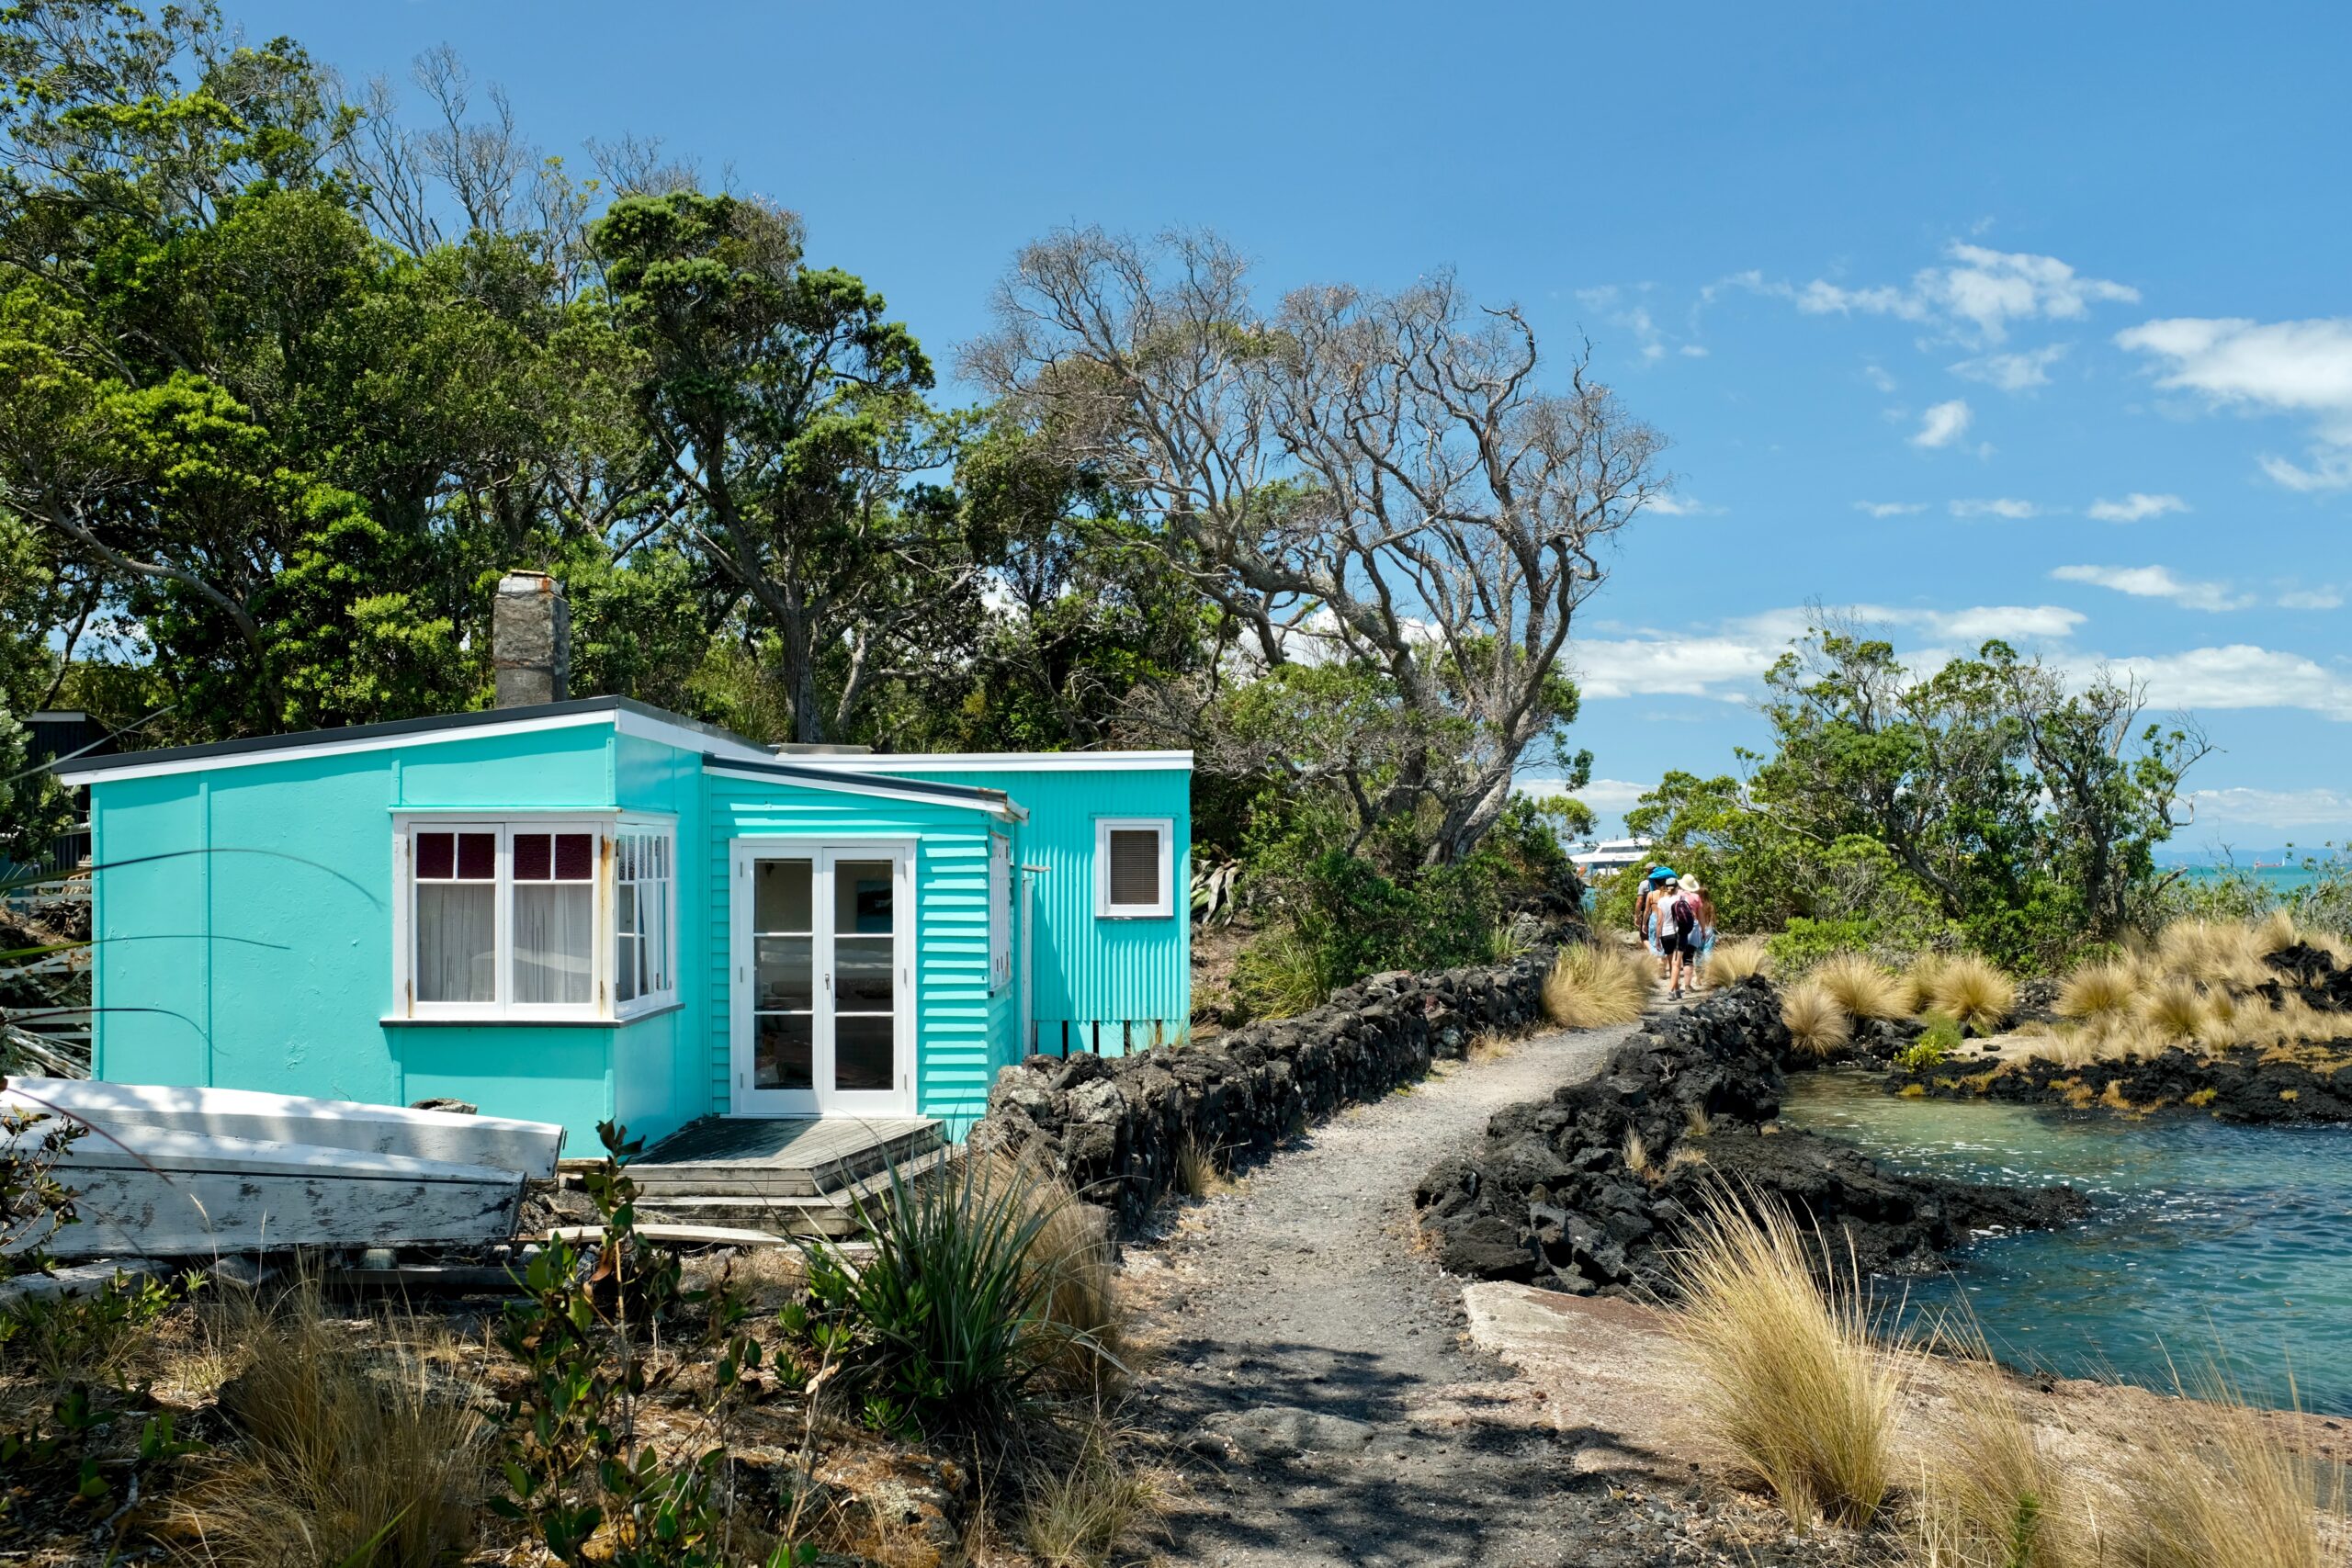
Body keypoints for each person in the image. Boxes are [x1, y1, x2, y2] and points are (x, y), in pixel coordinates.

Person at [1657, 874, 1702, 999]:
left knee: (1672, 964)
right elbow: (1691, 916)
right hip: (1679, 934)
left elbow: (1659, 921)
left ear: (1666, 887)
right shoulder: (1682, 899)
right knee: (1677, 964)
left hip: (1665, 934)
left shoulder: (1661, 901)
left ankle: (1677, 990)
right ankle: (1671, 990)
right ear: (1677, 887)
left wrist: (1657, 938)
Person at [1680, 874, 1716, 990]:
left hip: (1698, 930)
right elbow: (1713, 920)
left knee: (1697, 954)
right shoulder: (1711, 906)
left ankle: (1698, 978)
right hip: (1709, 930)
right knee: (1708, 953)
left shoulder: (1695, 903)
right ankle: (1708, 975)